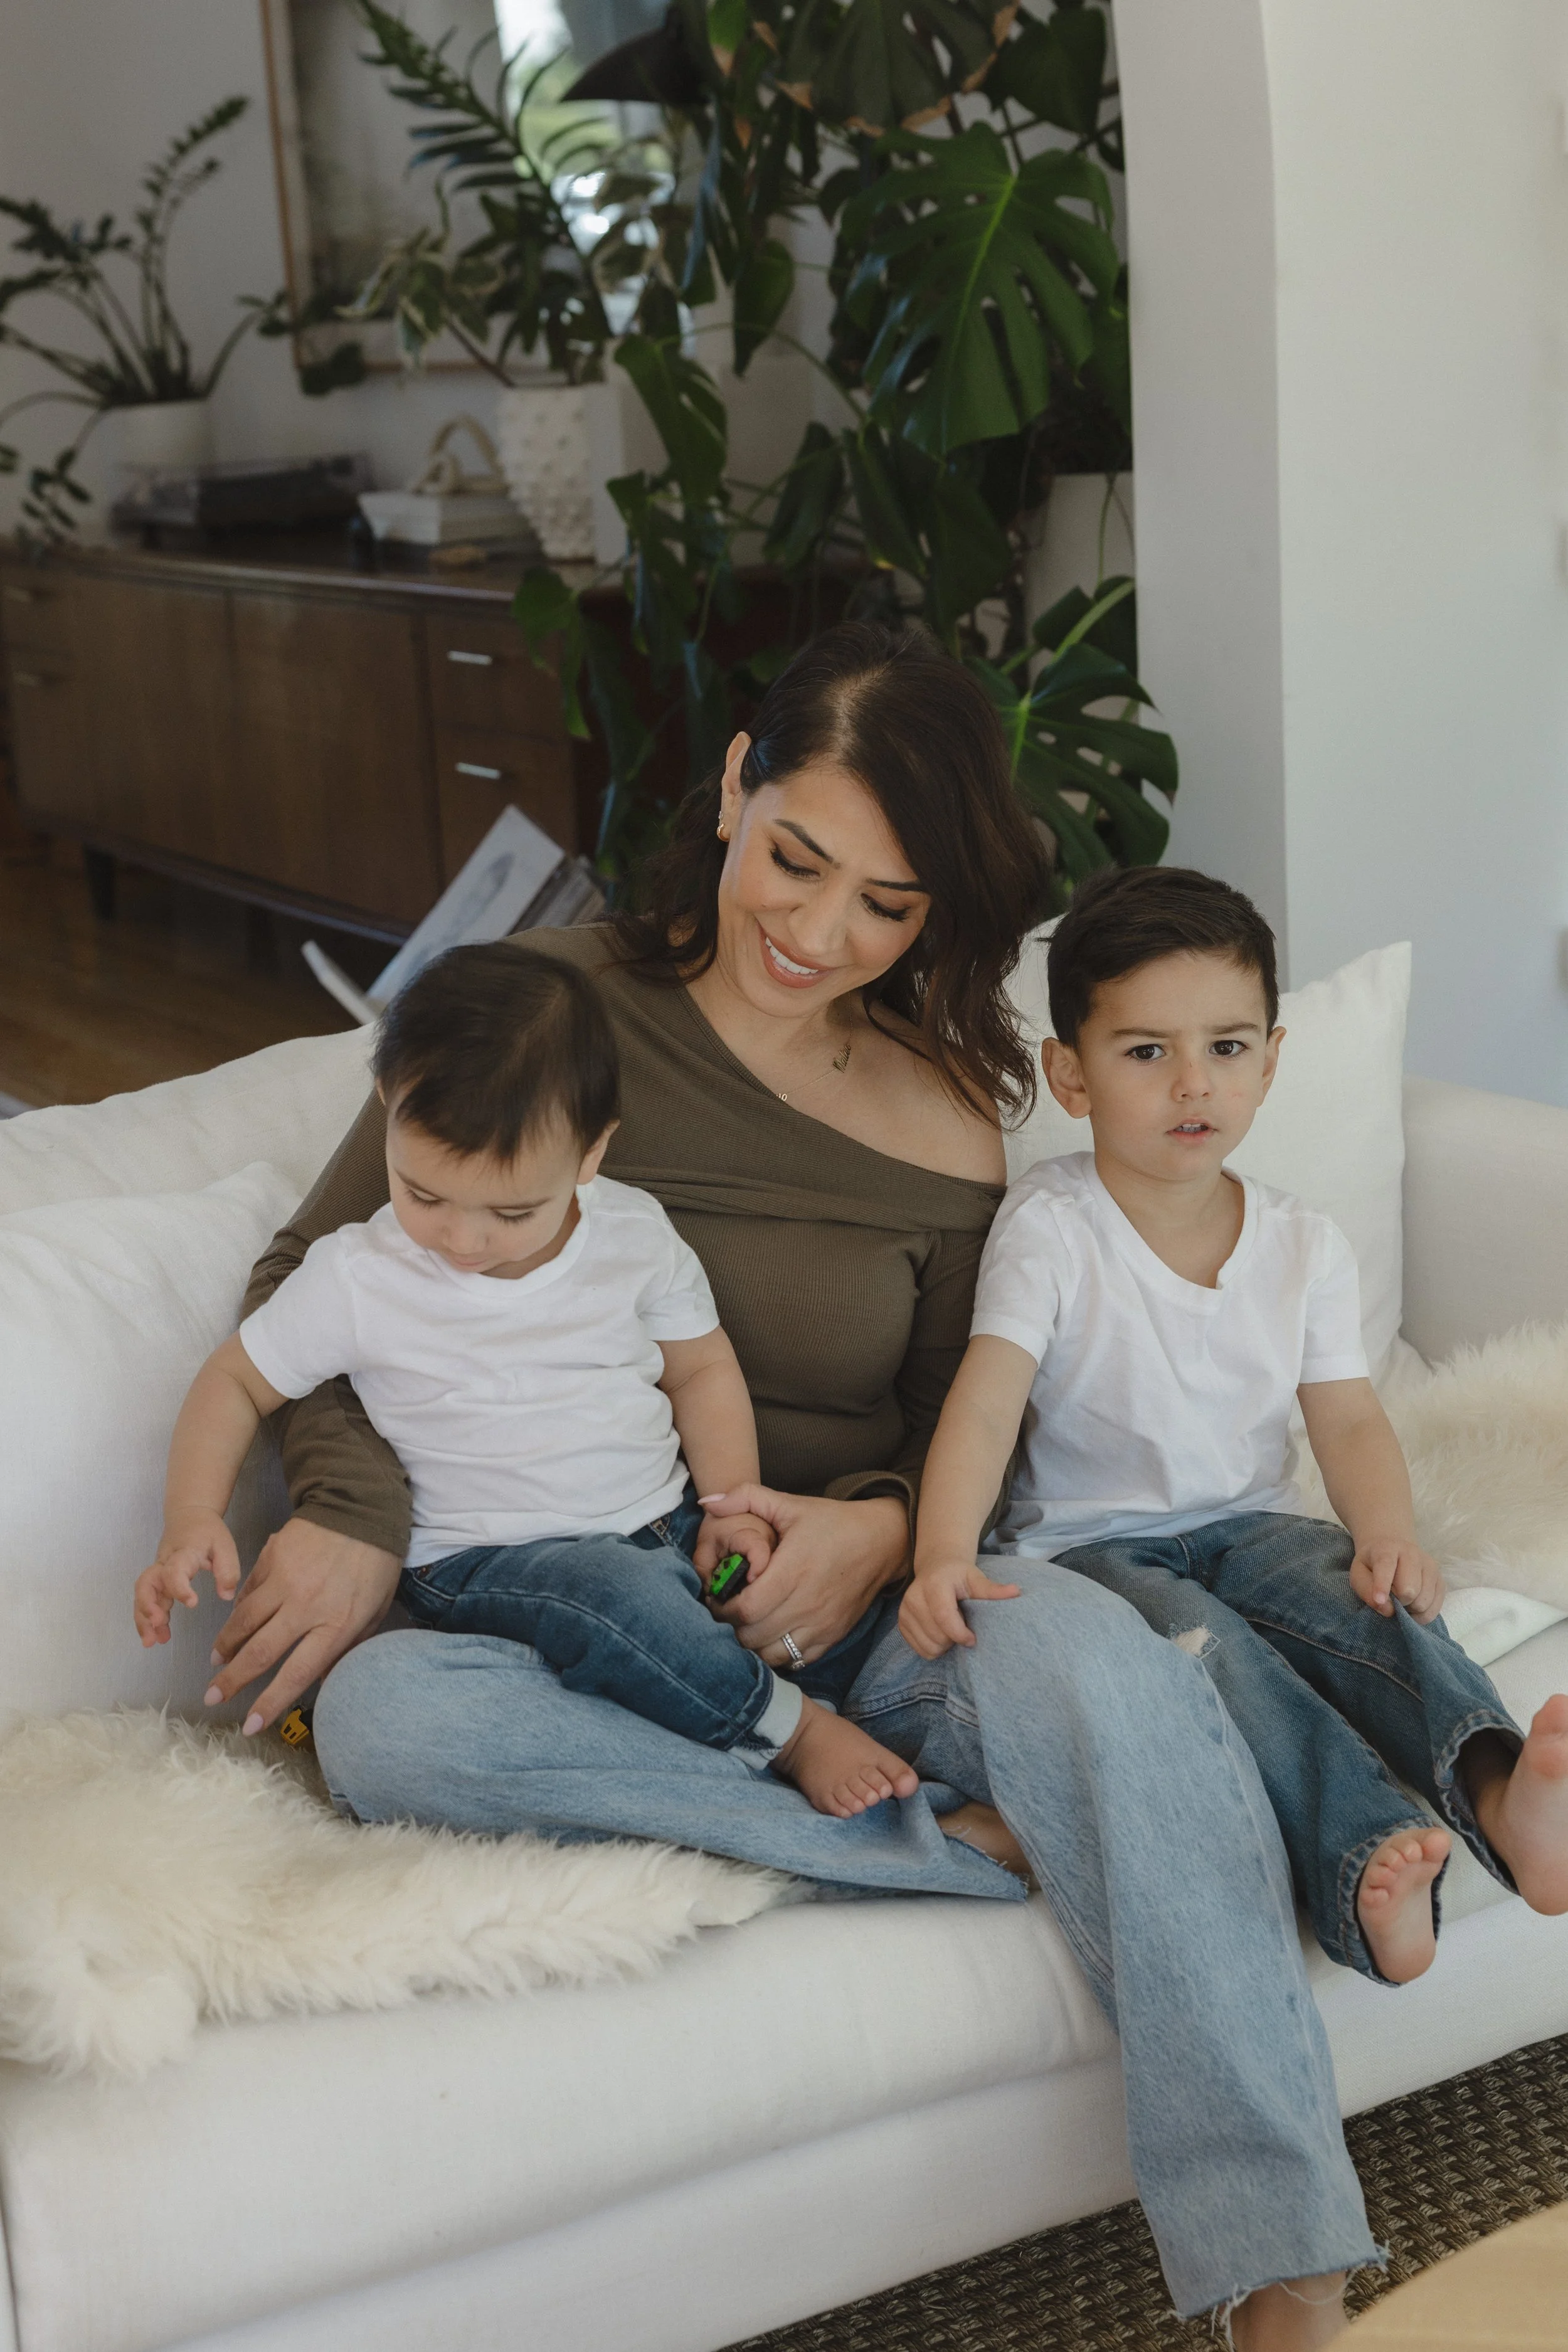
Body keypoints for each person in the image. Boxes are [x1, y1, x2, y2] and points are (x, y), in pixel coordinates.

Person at [215, 622, 1378, 2346]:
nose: (816, 932)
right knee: (391, 1718)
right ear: (735, 786)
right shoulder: (553, 1004)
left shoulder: (948, 1111)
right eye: (796, 859)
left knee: (1106, 1674)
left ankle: (1281, 2267)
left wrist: (892, 1524)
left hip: (857, 1618)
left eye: (886, 905)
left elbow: (975, 1409)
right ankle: (956, 1848)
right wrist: (350, 1508)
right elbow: (313, 1281)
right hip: (586, 1610)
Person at [904, 864, 1568, 1989]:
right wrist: (942, 1554)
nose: (1189, 1082)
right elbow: (986, 1396)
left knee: (1371, 1616)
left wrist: (1386, 1530)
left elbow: (1350, 1416)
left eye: (1225, 1045)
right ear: (1070, 1073)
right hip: (1098, 1553)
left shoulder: (1302, 1243)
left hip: (1258, 1524)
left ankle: (1505, 1794)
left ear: (1271, 1059)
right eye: (1145, 1050)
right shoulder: (1054, 1223)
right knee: (1219, 1661)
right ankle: (1369, 1862)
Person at [135, 943, 919, 1818]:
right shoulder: (358, 1276)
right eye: (423, 1194)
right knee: (611, 1603)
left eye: (511, 1212)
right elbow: (236, 1379)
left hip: (666, 1530)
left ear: (592, 1154)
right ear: (389, 1115)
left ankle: (793, 1743)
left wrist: (733, 1503)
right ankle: (791, 1733)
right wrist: (191, 1518)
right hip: (484, 1563)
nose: (462, 1242)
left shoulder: (634, 1235)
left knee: (773, 1611)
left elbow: (700, 1368)